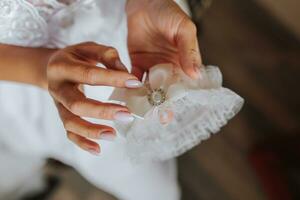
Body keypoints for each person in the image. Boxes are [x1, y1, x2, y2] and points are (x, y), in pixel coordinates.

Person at [0, 0, 201, 199]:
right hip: (20, 87)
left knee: (149, 187)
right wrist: (40, 67)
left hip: (128, 32)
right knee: (19, 160)